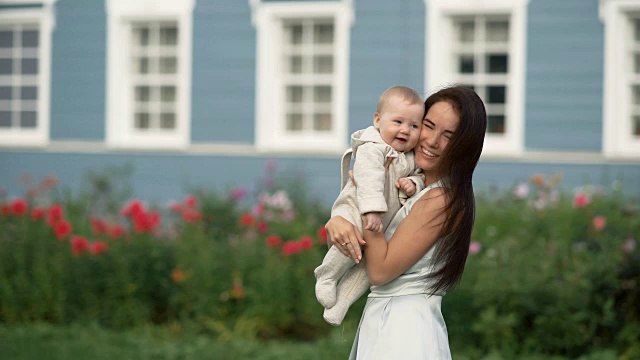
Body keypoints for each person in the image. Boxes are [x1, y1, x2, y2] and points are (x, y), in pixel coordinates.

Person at [325, 85, 487, 359]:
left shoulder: (441, 199)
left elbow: (379, 270)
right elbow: (358, 247)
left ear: (464, 147)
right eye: (428, 125)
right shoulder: (410, 182)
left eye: (448, 136)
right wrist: (338, 221)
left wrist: (369, 203)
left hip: (406, 330)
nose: (432, 141)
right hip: (386, 321)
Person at [314, 86, 426, 326]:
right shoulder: (373, 146)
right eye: (398, 121)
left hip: (381, 225)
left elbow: (421, 177)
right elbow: (369, 177)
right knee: (350, 244)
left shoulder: (411, 157)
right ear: (378, 120)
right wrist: (372, 210)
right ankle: (327, 275)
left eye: (414, 126)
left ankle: (342, 302)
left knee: (367, 265)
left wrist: (413, 184)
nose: (405, 130)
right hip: (357, 210)